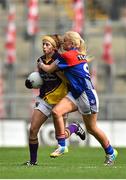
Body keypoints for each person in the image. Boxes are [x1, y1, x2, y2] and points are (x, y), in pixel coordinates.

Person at [37, 31, 118, 166]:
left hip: (87, 95)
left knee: (92, 129)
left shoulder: (67, 56)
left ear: (72, 43)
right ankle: (62, 146)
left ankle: (111, 152)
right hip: (76, 93)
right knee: (57, 112)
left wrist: (41, 65)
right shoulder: (77, 55)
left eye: (65, 41)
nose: (63, 43)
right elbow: (66, 74)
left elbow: (49, 69)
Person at [24, 34, 86, 166]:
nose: (44, 47)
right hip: (45, 99)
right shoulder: (40, 60)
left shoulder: (60, 58)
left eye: (47, 44)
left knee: (61, 135)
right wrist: (32, 82)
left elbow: (67, 78)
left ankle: (74, 128)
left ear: (54, 47)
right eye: (43, 44)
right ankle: (33, 162)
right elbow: (42, 80)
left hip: (61, 100)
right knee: (33, 130)